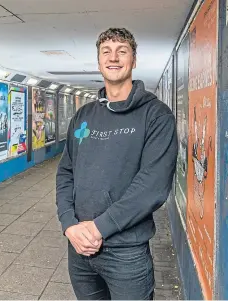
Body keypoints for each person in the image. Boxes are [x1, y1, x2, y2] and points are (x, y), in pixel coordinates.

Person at [56, 28, 178, 300]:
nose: (114, 57)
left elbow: (153, 186)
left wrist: (97, 228)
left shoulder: (156, 116)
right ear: (99, 61)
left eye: (122, 51)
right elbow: (66, 173)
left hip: (127, 253)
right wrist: (68, 224)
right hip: (79, 248)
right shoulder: (84, 116)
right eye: (106, 52)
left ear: (133, 60)